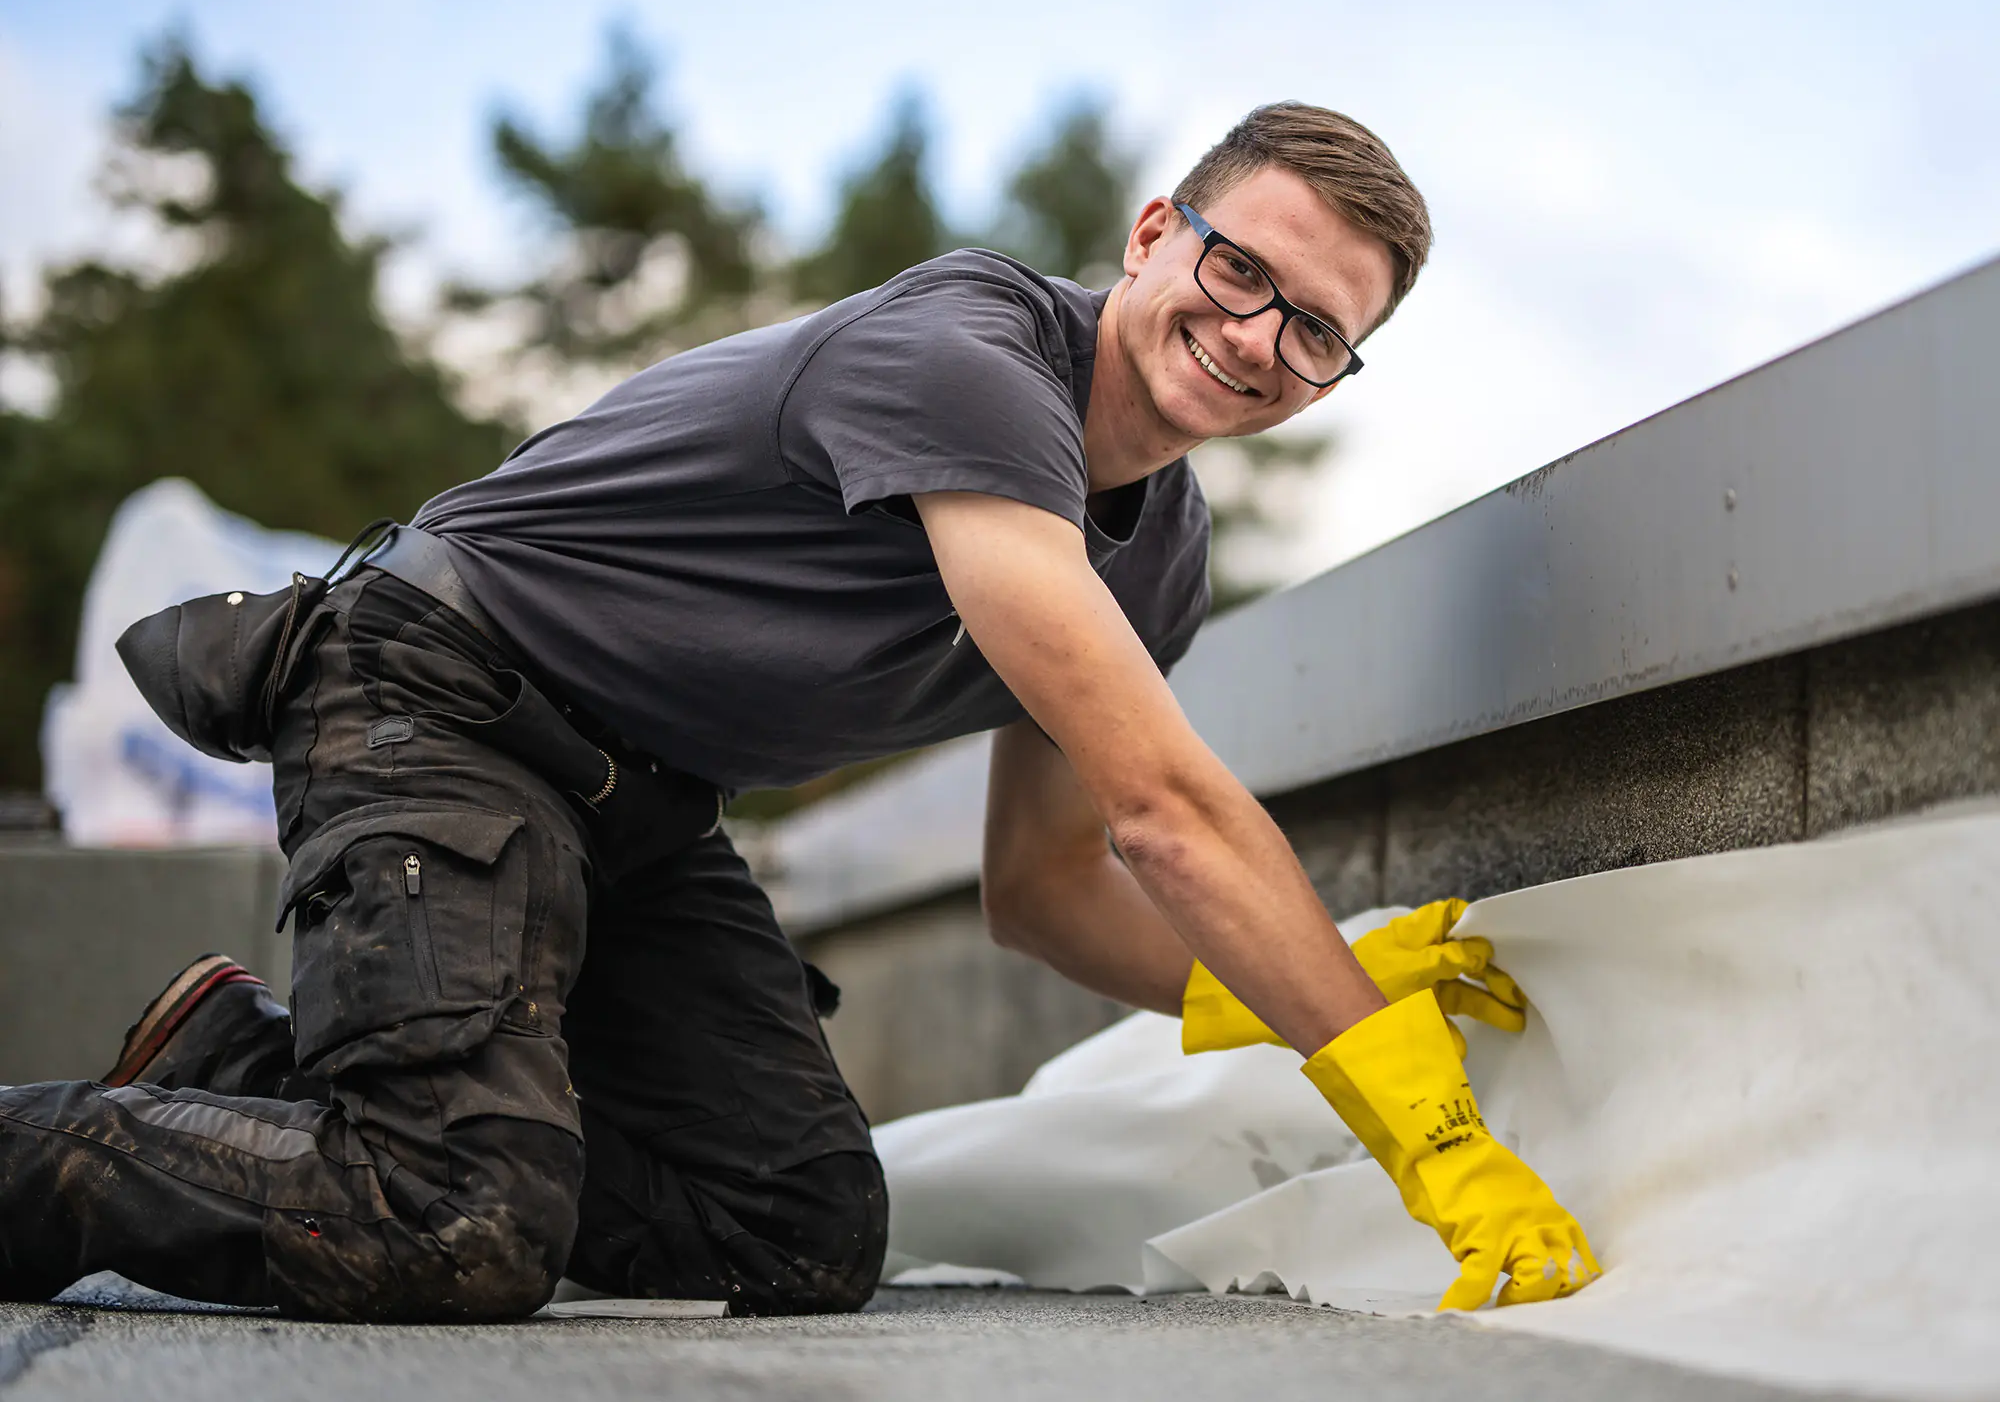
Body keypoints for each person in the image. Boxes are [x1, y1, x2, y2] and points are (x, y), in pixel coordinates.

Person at [0, 102, 1595, 1321]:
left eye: (1317, 330)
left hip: (638, 799)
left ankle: (242, 1067)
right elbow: (1165, 811)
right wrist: (1414, 1112)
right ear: (1154, 232)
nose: (1256, 337)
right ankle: (75, 1157)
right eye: (1240, 268)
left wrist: (1276, 986)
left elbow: (1042, 891)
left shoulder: (1156, 555)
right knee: (452, 1216)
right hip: (437, 689)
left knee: (802, 1229)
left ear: (1335, 375)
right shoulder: (971, 356)